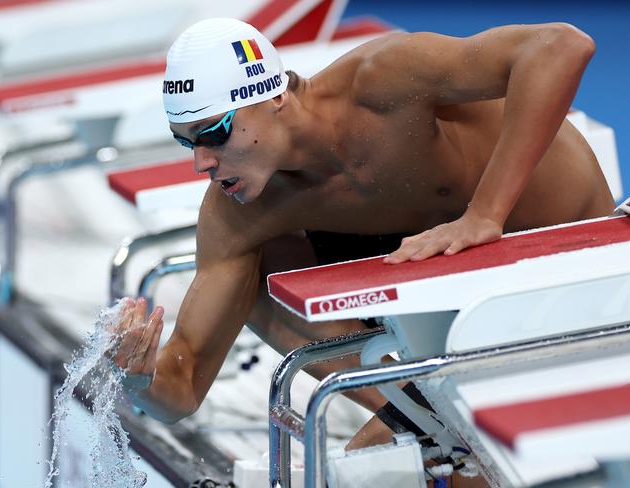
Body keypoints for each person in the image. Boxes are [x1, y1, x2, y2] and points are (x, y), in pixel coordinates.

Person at [109, 17, 614, 486]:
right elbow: (183, 387)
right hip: (458, 304)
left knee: (433, 472)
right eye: (185, 143)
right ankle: (418, 411)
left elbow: (561, 47)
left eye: (213, 133)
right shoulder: (237, 212)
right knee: (260, 271)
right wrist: (140, 378)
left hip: (571, 262)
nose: (200, 162)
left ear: (274, 97)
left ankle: (430, 421)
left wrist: (485, 213)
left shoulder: (382, 84)